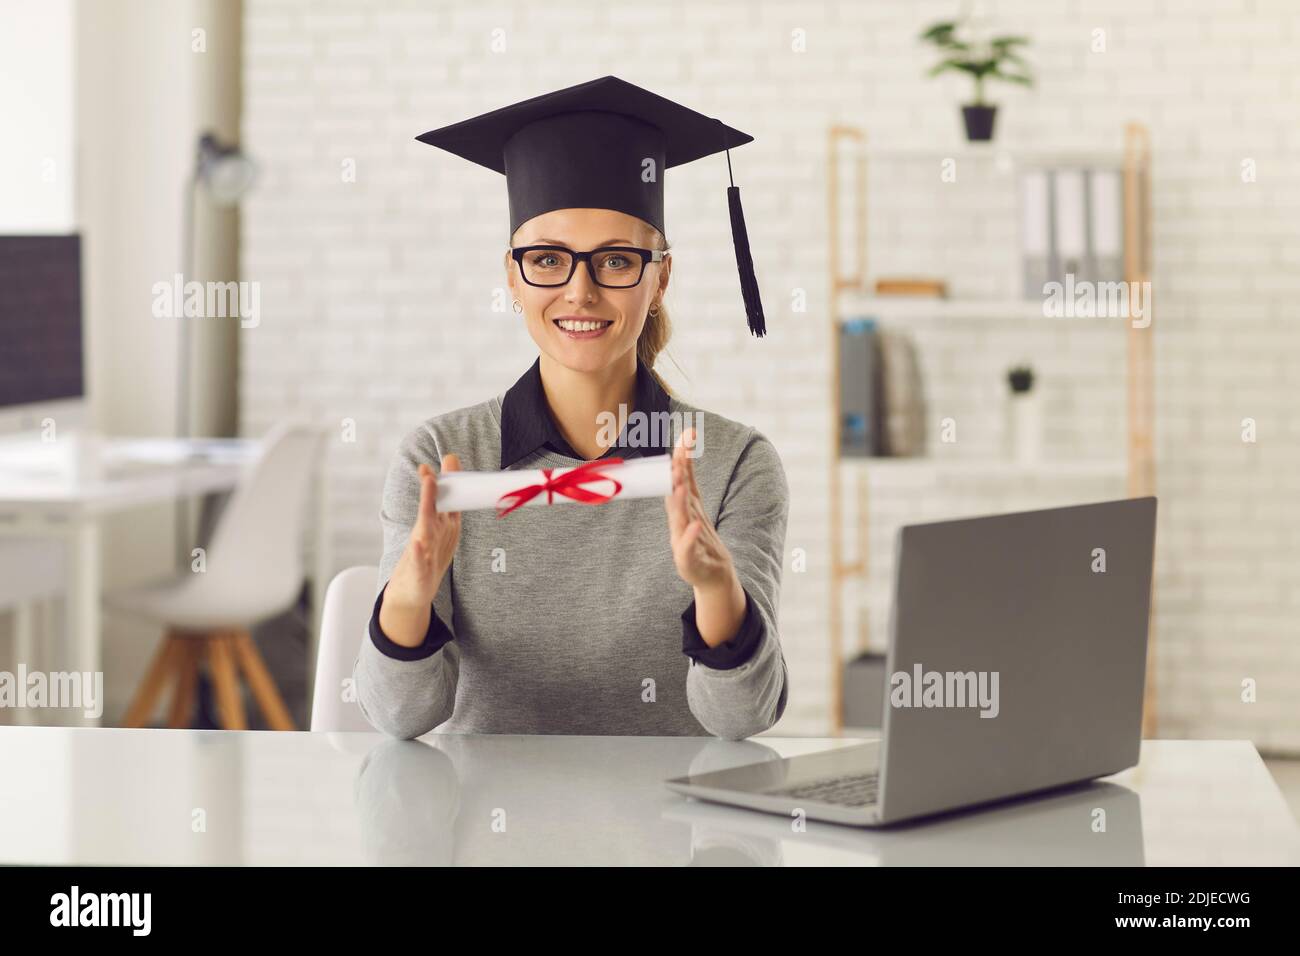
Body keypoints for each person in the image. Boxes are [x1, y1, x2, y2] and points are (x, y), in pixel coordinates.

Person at [354, 76, 788, 740]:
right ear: (511, 274)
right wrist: (411, 589)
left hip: (674, 832)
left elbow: (741, 720)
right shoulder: (442, 460)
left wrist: (715, 590)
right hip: (484, 826)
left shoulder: (732, 464)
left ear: (660, 275)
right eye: (548, 260)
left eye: (616, 260)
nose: (580, 292)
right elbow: (399, 718)